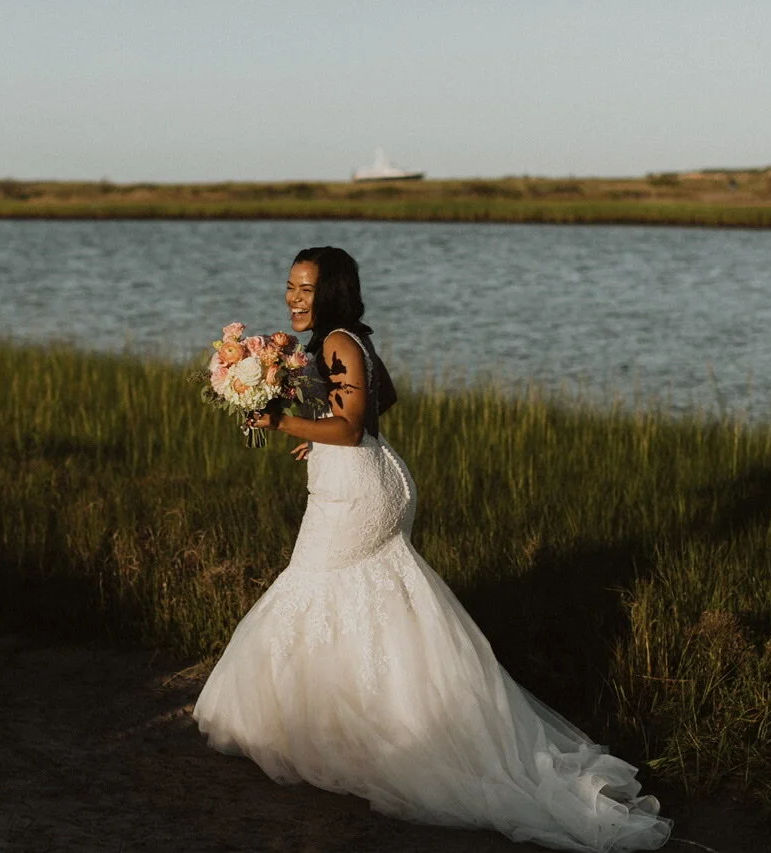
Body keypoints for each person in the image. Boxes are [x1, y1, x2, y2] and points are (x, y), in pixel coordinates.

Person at [192, 247, 672, 851]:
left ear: (332, 292)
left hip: (357, 491)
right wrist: (318, 435)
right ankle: (382, 717)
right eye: (290, 286)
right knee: (376, 596)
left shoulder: (336, 342)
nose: (294, 298)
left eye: (307, 290)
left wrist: (282, 423)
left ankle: (360, 735)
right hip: (370, 477)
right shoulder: (346, 340)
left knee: (309, 587)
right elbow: (359, 417)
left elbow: (351, 423)